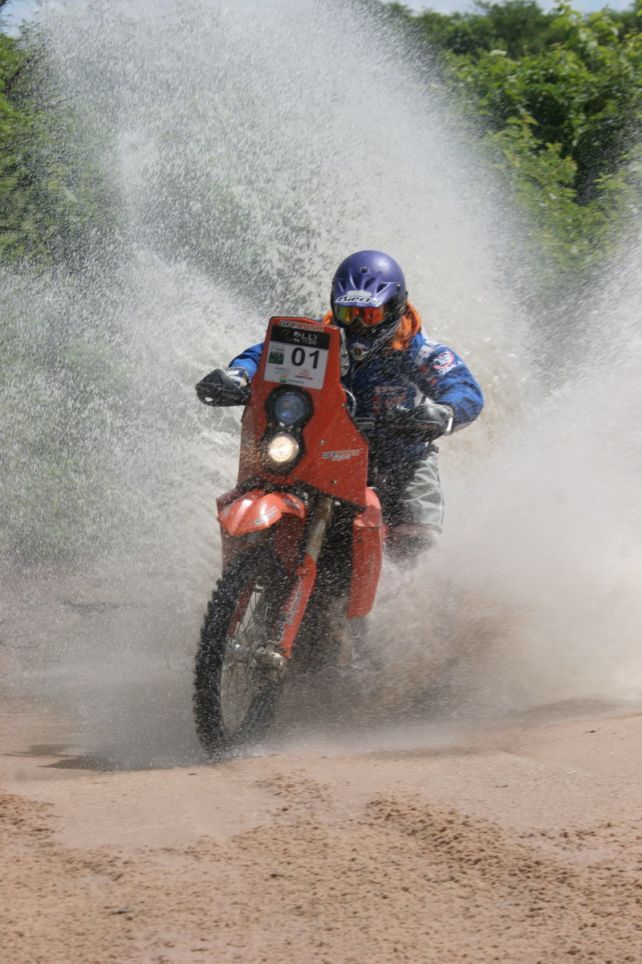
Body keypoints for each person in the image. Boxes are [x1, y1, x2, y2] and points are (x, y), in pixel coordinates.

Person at [196, 250, 483, 561]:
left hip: (398, 459)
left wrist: (444, 413)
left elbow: (464, 390)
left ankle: (405, 602)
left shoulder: (420, 351)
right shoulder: (316, 338)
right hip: (321, 449)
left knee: (417, 539)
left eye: (369, 315)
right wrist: (238, 375)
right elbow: (265, 354)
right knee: (265, 477)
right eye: (349, 314)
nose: (358, 325)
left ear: (394, 309)